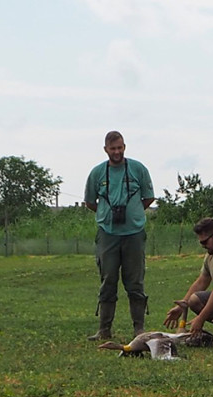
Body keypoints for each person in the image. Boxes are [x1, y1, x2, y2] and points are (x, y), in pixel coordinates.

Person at [84, 130, 155, 340]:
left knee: (135, 282)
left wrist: (131, 212)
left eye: (120, 147)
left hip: (134, 233)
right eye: (113, 148)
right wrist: (106, 215)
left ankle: (139, 328)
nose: (117, 152)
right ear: (105, 149)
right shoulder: (97, 173)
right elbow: (89, 202)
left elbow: (148, 197)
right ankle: (104, 329)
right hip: (108, 234)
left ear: (125, 147)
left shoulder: (138, 169)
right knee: (108, 280)